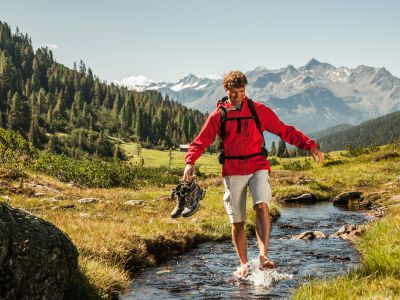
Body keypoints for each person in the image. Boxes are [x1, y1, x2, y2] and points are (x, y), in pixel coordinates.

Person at [182, 71, 324, 278]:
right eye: (233, 93)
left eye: (241, 91)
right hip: (233, 170)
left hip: (258, 165)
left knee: (262, 205)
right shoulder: (218, 116)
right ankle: (243, 264)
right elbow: (201, 141)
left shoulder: (258, 110)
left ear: (245, 90)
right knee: (237, 220)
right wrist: (189, 162)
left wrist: (309, 145)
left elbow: (284, 130)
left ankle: (263, 256)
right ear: (226, 91)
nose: (238, 96)